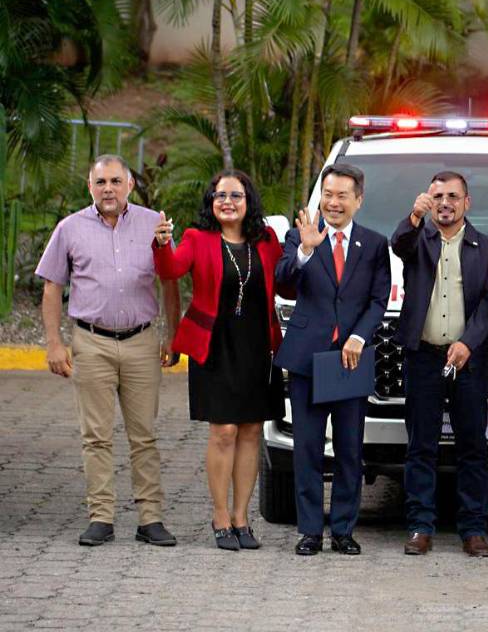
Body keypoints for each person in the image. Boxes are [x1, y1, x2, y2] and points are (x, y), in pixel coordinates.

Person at [35, 155, 181, 547]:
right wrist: (54, 343)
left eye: (116, 182)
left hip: (141, 342)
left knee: (144, 435)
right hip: (91, 343)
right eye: (101, 183)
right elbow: (51, 288)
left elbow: (169, 283)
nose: (108, 189)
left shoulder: (155, 224)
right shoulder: (69, 229)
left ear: (129, 185)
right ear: (90, 187)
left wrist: (173, 334)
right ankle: (101, 517)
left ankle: (150, 519)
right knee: (95, 437)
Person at [153, 169, 289, 551]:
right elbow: (170, 270)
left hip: (257, 348)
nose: (227, 201)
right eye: (220, 195)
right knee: (224, 431)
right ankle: (219, 515)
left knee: (249, 432)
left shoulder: (267, 241)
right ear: (211, 202)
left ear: (249, 202)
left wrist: (306, 250)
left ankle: (243, 518)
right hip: (214, 347)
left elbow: (288, 283)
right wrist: (162, 243)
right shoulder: (198, 238)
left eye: (236, 195)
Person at [274, 164, 390, 556]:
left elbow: (378, 299)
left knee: (349, 450)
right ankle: (310, 530)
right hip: (308, 358)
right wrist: (306, 251)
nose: (333, 202)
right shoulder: (299, 236)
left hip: (349, 362)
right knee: (306, 448)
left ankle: (343, 529)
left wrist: (358, 337)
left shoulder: (374, 245)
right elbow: (284, 283)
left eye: (342, 195)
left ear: (358, 200)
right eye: (327, 194)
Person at [390, 171, 488, 557]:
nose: (445, 203)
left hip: (467, 361)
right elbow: (398, 243)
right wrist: (413, 216)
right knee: (421, 445)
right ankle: (421, 525)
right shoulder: (417, 238)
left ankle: (473, 529)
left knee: (473, 446)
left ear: (467, 202)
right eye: (437, 196)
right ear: (428, 200)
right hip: (424, 356)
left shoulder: (484, 247)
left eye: (453, 196)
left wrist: (469, 343)